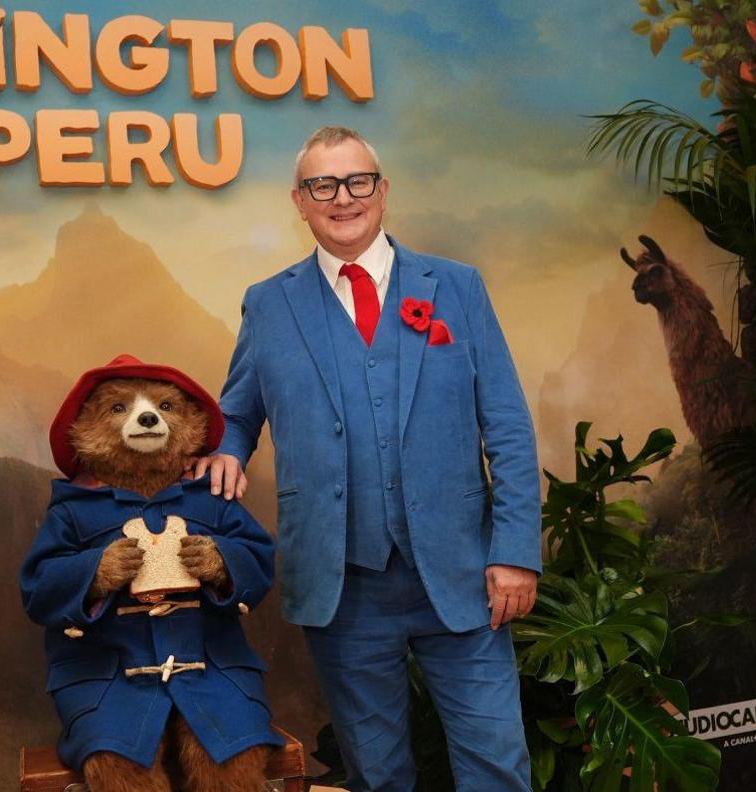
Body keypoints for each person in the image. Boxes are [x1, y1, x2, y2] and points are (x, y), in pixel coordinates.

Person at [194, 126, 541, 791]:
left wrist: (516, 550)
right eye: (323, 185)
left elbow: (508, 429)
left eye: (356, 181)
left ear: (381, 191)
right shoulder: (268, 304)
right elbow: (238, 410)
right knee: (378, 777)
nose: (342, 198)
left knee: (496, 766)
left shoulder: (458, 289)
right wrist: (228, 451)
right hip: (343, 585)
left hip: (464, 576)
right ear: (300, 200)